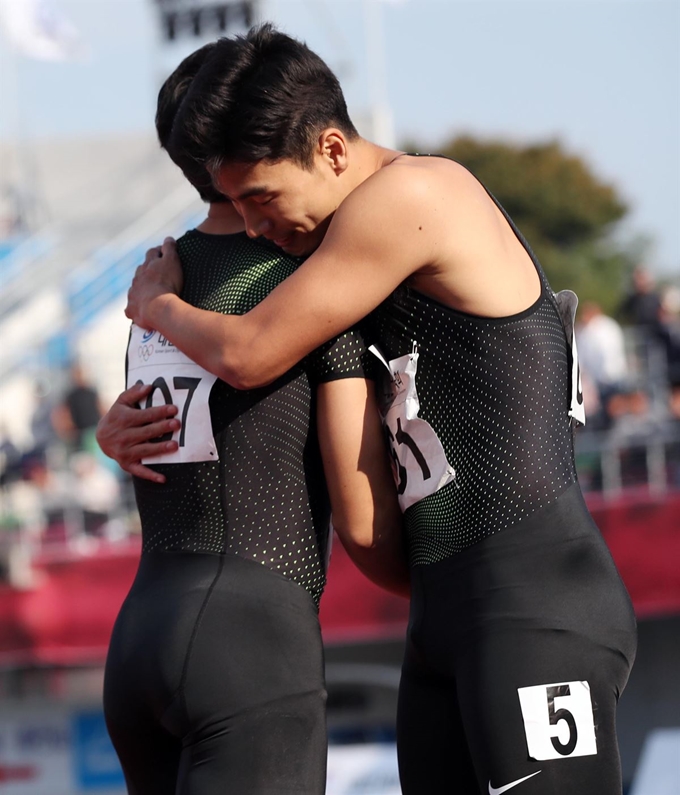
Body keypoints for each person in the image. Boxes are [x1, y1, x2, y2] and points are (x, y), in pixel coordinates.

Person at [125, 25, 638, 795]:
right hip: (448, 618)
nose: (259, 227)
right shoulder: (348, 256)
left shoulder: (415, 194)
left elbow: (252, 350)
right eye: (236, 205)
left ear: (332, 150)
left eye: (262, 199)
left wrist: (159, 305)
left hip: (536, 606)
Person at [98, 43, 406, 795]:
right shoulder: (307, 278)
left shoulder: (156, 282)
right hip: (251, 642)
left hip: (139, 635)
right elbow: (359, 507)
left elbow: (147, 433)